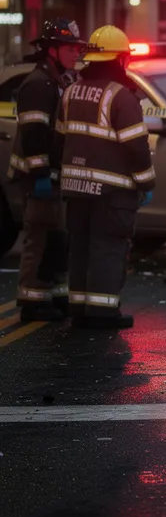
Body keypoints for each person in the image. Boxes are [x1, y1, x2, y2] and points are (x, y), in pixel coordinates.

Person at [56, 25, 155, 329]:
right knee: (108, 248)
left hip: (75, 189)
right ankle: (102, 311)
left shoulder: (71, 92)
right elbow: (136, 148)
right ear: (121, 60)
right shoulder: (121, 97)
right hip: (111, 193)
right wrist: (146, 182)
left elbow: (59, 139)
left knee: (81, 248)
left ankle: (80, 308)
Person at [8, 20, 84, 322]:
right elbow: (34, 135)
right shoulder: (38, 84)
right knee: (39, 237)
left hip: (54, 175)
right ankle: (32, 299)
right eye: (69, 48)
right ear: (51, 50)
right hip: (37, 178)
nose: (75, 54)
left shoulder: (58, 80)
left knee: (57, 237)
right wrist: (40, 175)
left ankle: (55, 295)